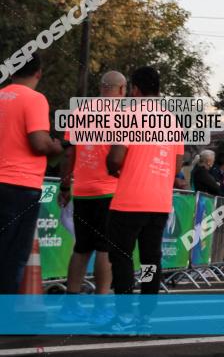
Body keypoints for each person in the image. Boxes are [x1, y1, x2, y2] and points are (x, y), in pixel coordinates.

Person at [106, 66, 184, 333]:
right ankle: (145, 318)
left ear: (136, 90)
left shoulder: (129, 115)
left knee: (122, 258)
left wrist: (113, 167)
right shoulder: (172, 121)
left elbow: (115, 158)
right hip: (159, 202)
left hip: (129, 200)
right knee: (151, 260)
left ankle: (124, 315)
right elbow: (175, 167)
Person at [58, 70, 127, 324]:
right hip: (109, 189)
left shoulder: (80, 112)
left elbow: (69, 154)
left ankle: (70, 304)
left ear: (101, 87)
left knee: (81, 247)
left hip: (83, 189)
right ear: (121, 90)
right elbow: (120, 157)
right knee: (105, 248)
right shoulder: (123, 115)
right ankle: (101, 306)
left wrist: (65, 186)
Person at [0, 54, 63, 293]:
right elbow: (39, 143)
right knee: (14, 256)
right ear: (39, 72)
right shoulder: (34, 99)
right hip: (21, 185)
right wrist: (56, 146)